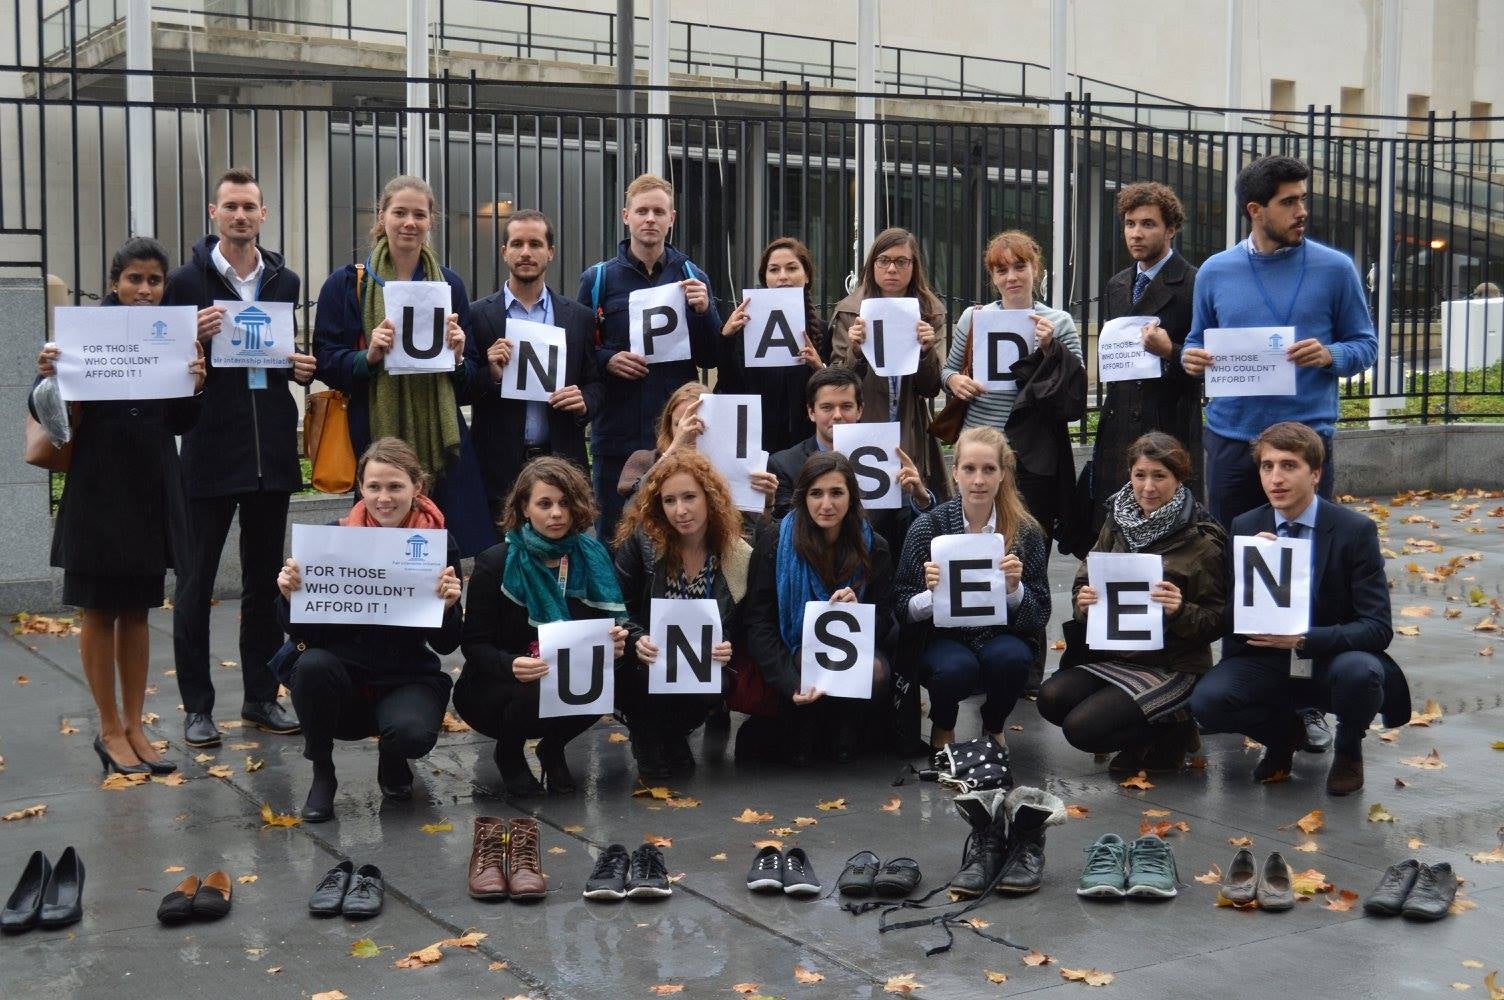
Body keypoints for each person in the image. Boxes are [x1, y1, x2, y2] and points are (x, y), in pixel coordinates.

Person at [33, 238, 205, 777]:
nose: (145, 290)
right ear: (115, 283)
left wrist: (196, 386)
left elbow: (178, 424)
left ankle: (134, 723)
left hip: (149, 485)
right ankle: (108, 729)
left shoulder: (173, 334)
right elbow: (42, 411)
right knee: (98, 609)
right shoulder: (83, 334)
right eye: (135, 279)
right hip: (97, 485)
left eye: (154, 281)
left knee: (137, 609)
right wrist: (48, 374)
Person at [163, 167, 310, 748]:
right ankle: (198, 707)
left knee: (262, 583)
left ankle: (259, 697)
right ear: (213, 213)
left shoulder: (284, 279)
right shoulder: (183, 282)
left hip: (270, 449)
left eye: (250, 206)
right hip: (208, 448)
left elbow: (276, 357)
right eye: (231, 207)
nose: (241, 216)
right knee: (195, 581)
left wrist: (297, 364)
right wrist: (187, 339)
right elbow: (164, 369)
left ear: (264, 214)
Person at [1189, 422, 1411, 797]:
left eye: (1289, 466)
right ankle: (1283, 736)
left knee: (1362, 671)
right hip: (1266, 656)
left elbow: (1376, 627)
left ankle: (1348, 751)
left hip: (1331, 655)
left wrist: (1304, 639)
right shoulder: (1246, 525)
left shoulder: (1353, 530)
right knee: (1208, 702)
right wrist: (1249, 574)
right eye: (1267, 466)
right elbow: (1229, 620)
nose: (1276, 478)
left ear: (1316, 474)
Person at [1182, 155, 1376, 529]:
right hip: (1232, 439)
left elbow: (1365, 345)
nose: (1301, 211)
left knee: (1304, 557)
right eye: (1288, 202)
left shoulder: (1336, 268)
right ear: (1256, 210)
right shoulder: (1214, 271)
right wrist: (1191, 359)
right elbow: (1196, 340)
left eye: (1302, 199)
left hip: (1305, 439)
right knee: (1230, 554)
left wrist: (1329, 354)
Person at [275, 438, 463, 822]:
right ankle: (322, 772)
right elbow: (297, 630)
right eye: (374, 486)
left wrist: (449, 606)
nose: (384, 498)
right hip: (341, 677)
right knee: (311, 666)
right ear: (360, 487)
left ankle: (394, 758)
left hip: (405, 676)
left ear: (417, 488)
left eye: (395, 486)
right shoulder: (333, 537)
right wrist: (289, 594)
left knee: (410, 733)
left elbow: (446, 645)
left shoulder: (437, 545)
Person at [313, 173, 493, 557]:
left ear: (431, 221)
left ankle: (444, 614)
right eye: (400, 213)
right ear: (382, 218)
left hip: (439, 436)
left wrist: (459, 356)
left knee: (446, 544)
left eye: (419, 214)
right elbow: (325, 360)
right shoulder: (347, 284)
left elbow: (472, 380)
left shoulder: (450, 284)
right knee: (377, 544)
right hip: (372, 431)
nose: (409, 223)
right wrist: (368, 357)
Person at [1037, 432, 1227, 773]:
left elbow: (1218, 620)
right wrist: (1085, 602)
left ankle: (1170, 732)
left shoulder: (1203, 540)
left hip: (1175, 664)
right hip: (1118, 656)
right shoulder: (1118, 520)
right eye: (1140, 475)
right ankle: (1152, 731)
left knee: (1083, 729)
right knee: (1051, 698)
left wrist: (1180, 610)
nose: (1148, 487)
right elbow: (1086, 577)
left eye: (1160, 476)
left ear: (1179, 478)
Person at [455, 457, 630, 797]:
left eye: (565, 503)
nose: (556, 513)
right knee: (534, 686)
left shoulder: (592, 556)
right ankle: (508, 752)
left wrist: (612, 644)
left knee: (613, 676)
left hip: (563, 678)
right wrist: (510, 664)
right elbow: (474, 645)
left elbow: (600, 632)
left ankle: (552, 746)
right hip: (497, 686)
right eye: (545, 504)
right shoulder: (496, 562)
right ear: (524, 507)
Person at [579, 173, 722, 543]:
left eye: (658, 211)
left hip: (676, 432)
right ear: (626, 216)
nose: (650, 219)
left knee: (680, 531)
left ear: (671, 218)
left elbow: (712, 355)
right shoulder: (598, 280)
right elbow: (580, 352)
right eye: (642, 211)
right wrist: (608, 359)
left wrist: (705, 311)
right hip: (617, 433)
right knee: (616, 535)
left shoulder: (692, 276)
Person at [893, 427, 1049, 750]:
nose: (978, 480)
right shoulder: (929, 527)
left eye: (989, 469)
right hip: (944, 639)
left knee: (1013, 658)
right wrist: (929, 596)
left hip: (1000, 635)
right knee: (954, 667)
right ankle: (944, 722)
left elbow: (1041, 612)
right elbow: (900, 604)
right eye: (969, 469)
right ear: (955, 472)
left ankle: (994, 723)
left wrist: (1014, 589)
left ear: (1003, 474)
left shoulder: (1025, 531)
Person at [743, 452, 897, 765]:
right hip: (791, 654)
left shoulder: (875, 546)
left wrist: (858, 615)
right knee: (807, 662)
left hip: (849, 654)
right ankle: (805, 725)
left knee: (877, 672)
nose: (826, 505)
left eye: (836, 493)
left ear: (852, 497)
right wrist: (789, 683)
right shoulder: (775, 542)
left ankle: (846, 726)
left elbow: (885, 617)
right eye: (816, 494)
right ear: (803, 497)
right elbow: (759, 621)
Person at [613, 450, 753, 780]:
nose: (681, 510)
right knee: (641, 676)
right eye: (670, 501)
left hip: (702, 663)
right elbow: (618, 606)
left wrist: (728, 644)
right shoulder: (642, 543)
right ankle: (647, 737)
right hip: (644, 659)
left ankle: (672, 734)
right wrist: (635, 637)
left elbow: (746, 620)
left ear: (710, 497)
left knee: (715, 682)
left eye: (690, 497)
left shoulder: (737, 553)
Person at [941, 230, 1084, 549]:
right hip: (979, 441)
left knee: (1030, 542)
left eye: (1020, 267)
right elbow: (948, 369)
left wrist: (1051, 348)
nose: (1012, 277)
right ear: (992, 277)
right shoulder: (974, 317)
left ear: (1036, 269)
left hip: (1033, 452)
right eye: (1001, 270)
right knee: (975, 539)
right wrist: (954, 381)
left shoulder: (1058, 321)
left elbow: (1074, 385)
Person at [466, 209, 602, 526]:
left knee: (563, 566)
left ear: (550, 252)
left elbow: (596, 382)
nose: (526, 252)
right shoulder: (477, 315)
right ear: (504, 252)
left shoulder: (578, 317)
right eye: (517, 244)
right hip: (498, 468)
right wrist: (492, 373)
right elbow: (461, 386)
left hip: (562, 460)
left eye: (535, 244)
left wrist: (585, 401)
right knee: (504, 564)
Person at [1089, 183, 1203, 536]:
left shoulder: (1194, 283)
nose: (1136, 233)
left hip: (1169, 424)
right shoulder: (1118, 285)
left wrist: (1170, 351)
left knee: (1171, 535)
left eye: (1148, 224)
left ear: (1171, 229)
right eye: (1129, 224)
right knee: (1117, 532)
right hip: (1120, 426)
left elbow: (1209, 368)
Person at [827, 227, 950, 501]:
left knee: (909, 508)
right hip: (864, 429)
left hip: (910, 429)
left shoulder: (931, 312)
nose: (891, 269)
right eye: (883, 261)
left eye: (901, 261)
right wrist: (855, 351)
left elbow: (930, 388)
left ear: (913, 266)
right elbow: (836, 385)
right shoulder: (849, 310)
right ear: (872, 266)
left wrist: (926, 351)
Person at [766, 366, 932, 558]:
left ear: (860, 410)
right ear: (811, 412)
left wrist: (921, 500)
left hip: (874, 572)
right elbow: (782, 533)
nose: (837, 415)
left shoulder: (886, 457)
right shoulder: (784, 464)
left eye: (846, 406)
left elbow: (905, 529)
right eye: (827, 407)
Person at [715, 236, 827, 454]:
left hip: (806, 447)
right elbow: (730, 388)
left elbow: (831, 393)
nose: (783, 277)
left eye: (792, 268)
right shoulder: (745, 328)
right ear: (765, 278)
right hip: (756, 444)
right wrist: (727, 337)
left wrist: (818, 367)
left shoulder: (821, 330)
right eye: (774, 270)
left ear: (806, 276)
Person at [616, 381, 777, 525]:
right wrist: (674, 448)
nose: (688, 431)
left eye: (698, 423)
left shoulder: (731, 467)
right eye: (680, 424)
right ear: (668, 426)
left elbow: (756, 535)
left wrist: (767, 502)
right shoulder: (644, 460)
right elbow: (632, 510)